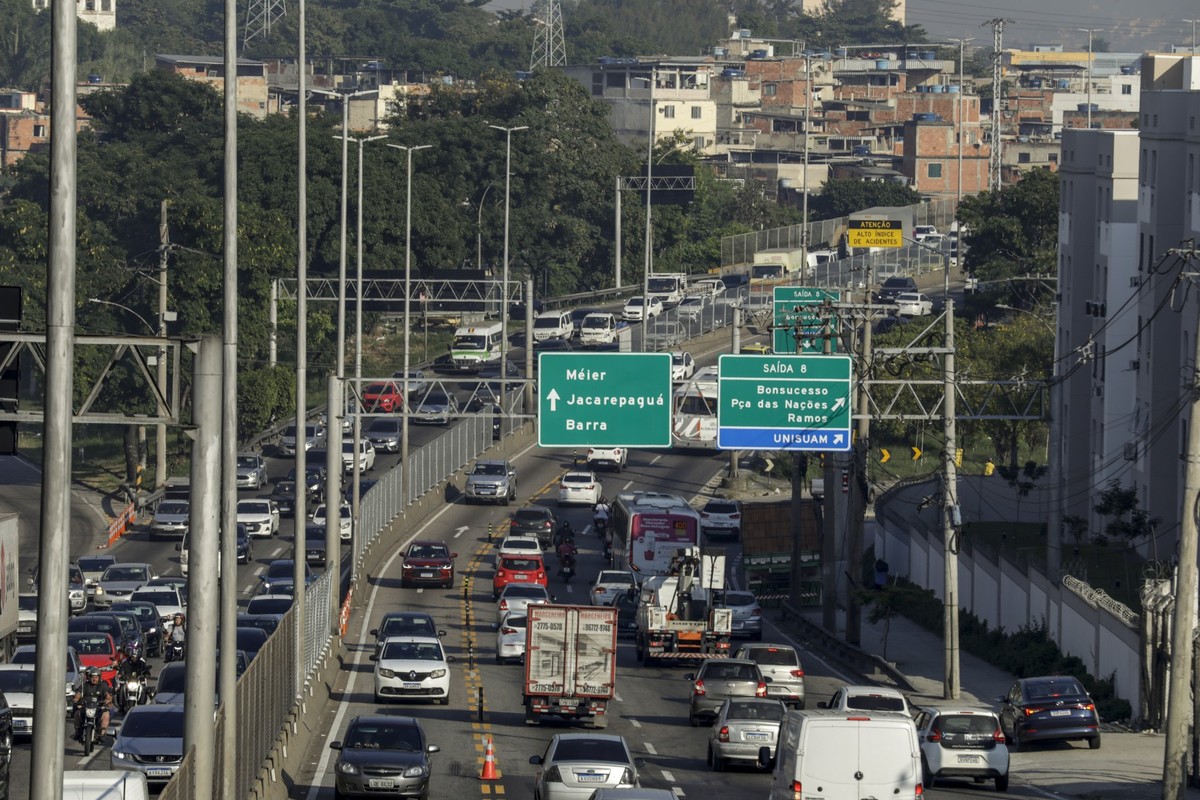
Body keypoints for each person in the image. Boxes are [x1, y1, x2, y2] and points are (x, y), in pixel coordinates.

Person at [73, 668, 112, 743]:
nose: (94, 679)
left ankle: (102, 734)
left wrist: (107, 699)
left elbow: (107, 695)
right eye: (92, 677)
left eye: (96, 677)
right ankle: (77, 732)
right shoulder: (84, 685)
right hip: (85, 706)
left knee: (106, 715)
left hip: (98, 707)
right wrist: (76, 699)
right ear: (89, 677)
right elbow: (78, 694)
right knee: (77, 713)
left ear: (99, 677)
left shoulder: (102, 685)